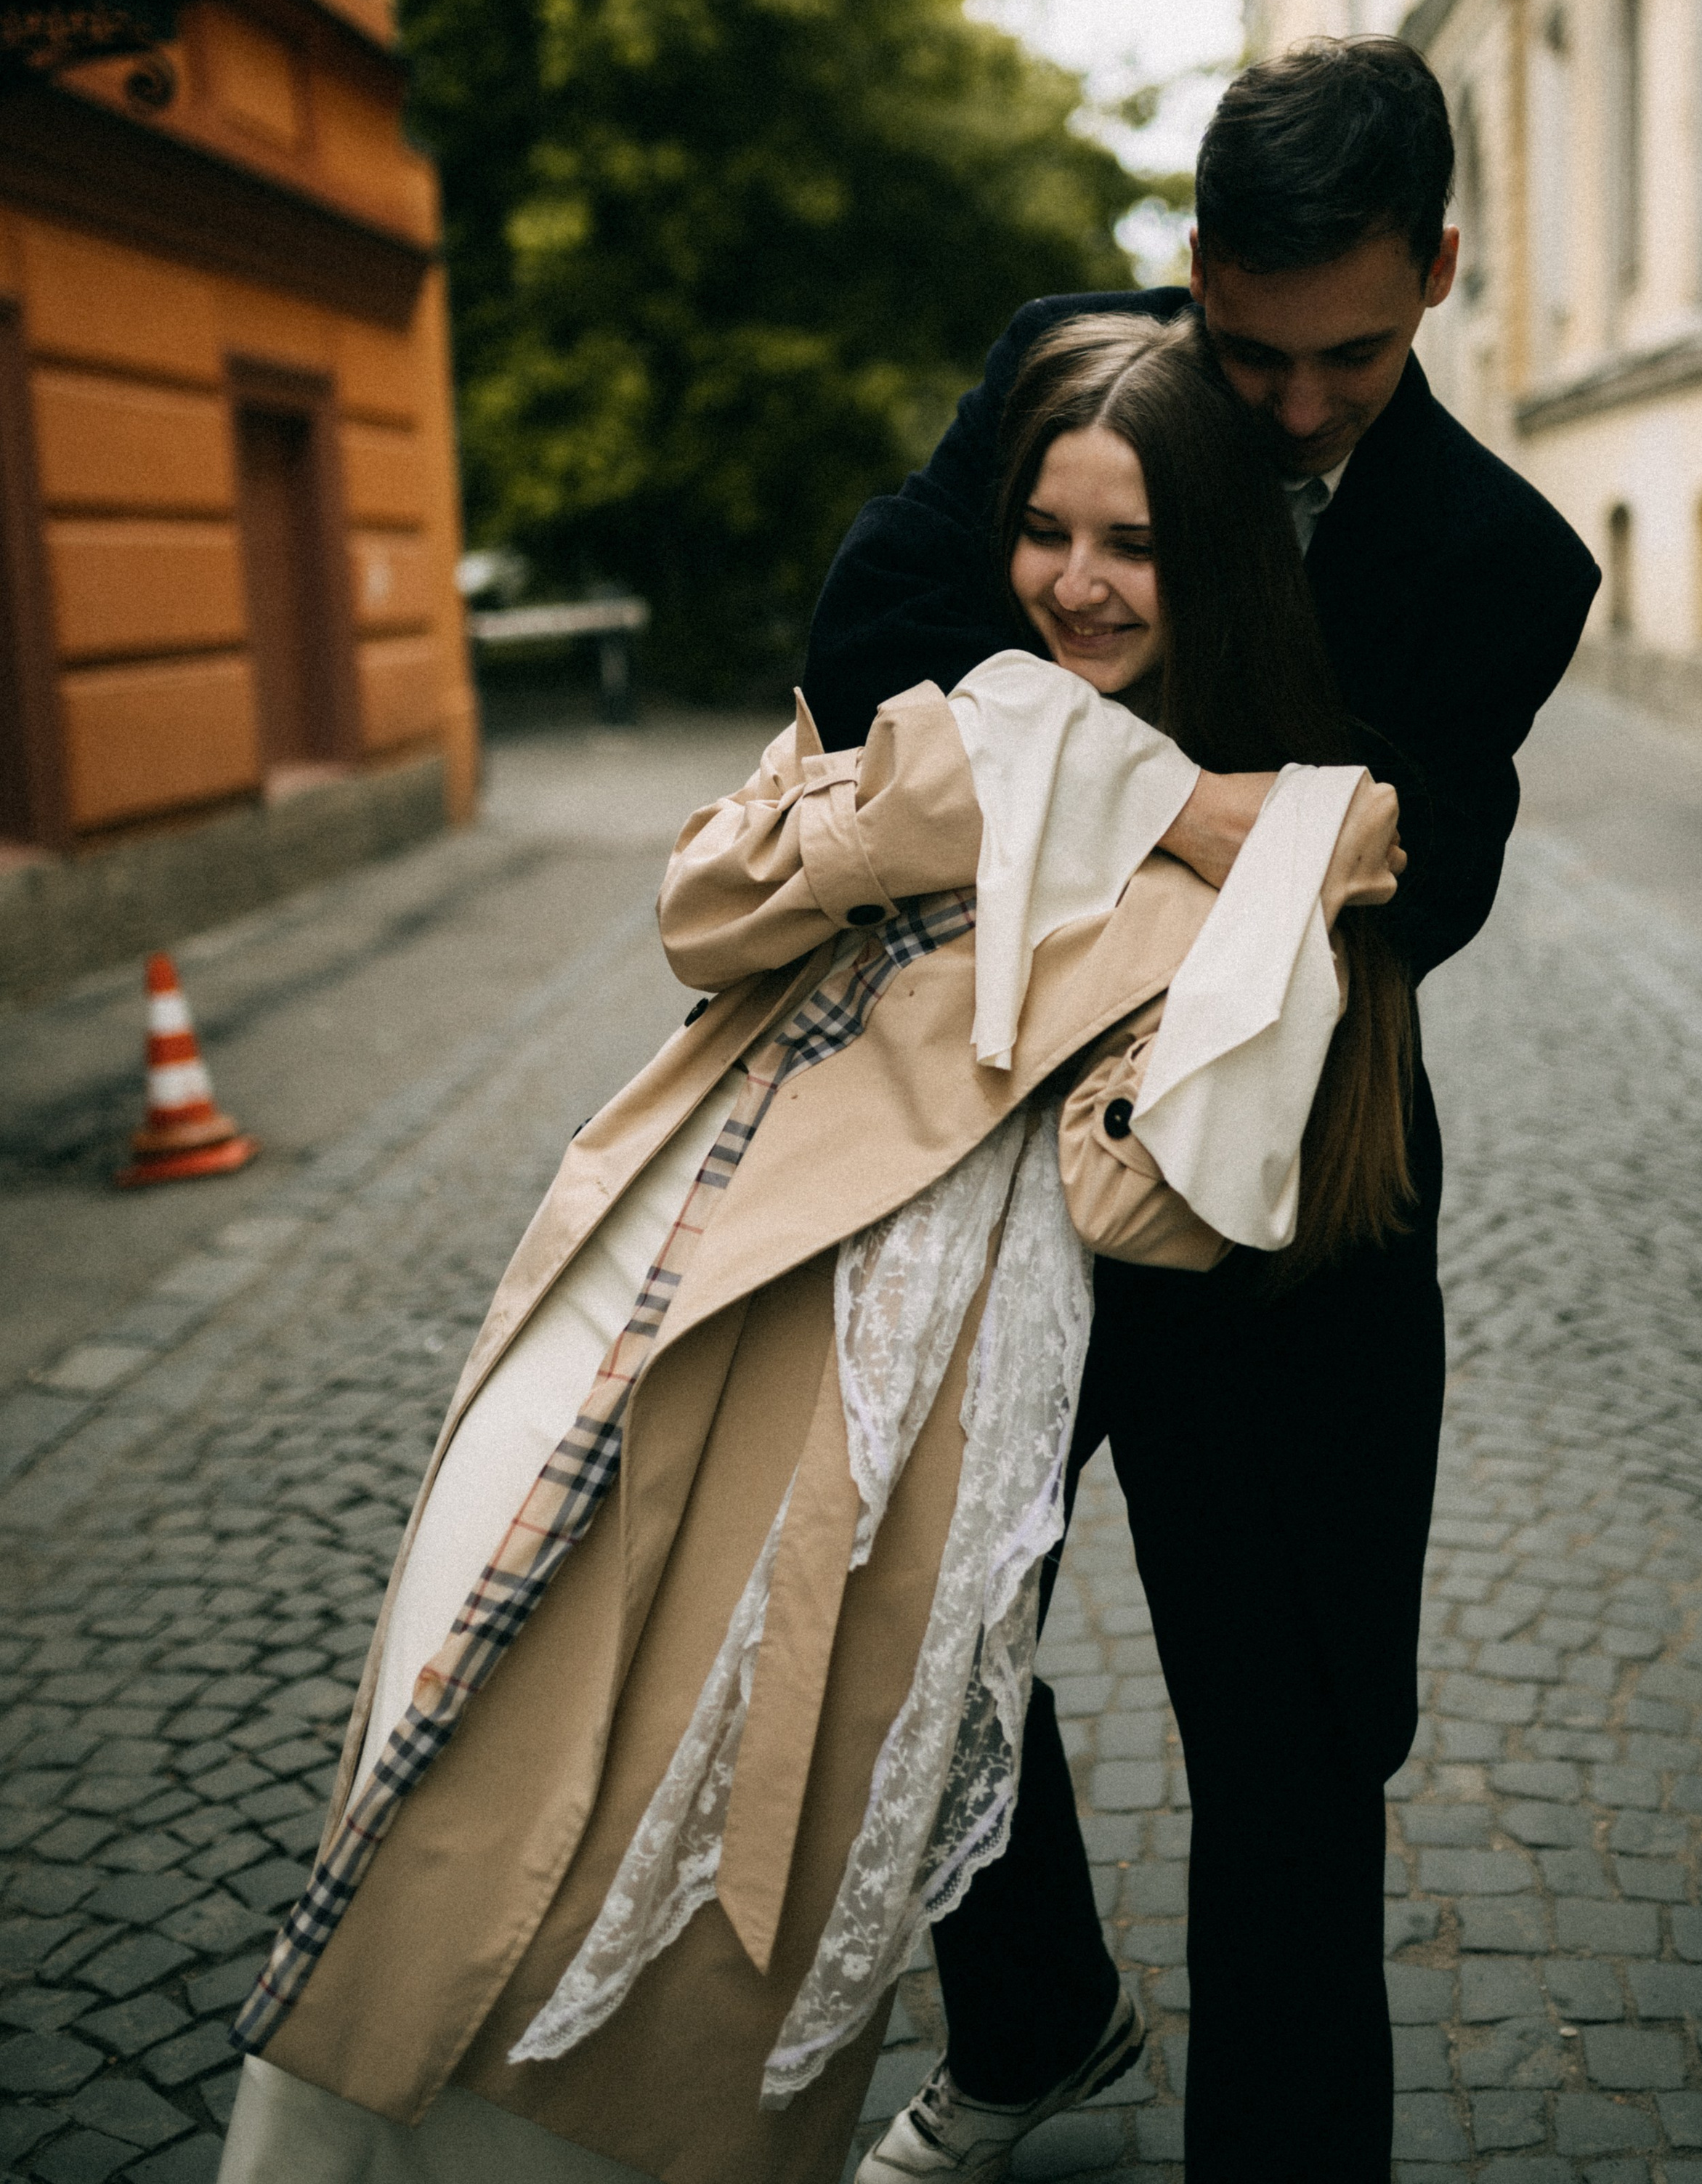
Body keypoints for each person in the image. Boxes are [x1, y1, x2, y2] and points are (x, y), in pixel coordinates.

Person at [214, 318, 1405, 2184]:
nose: (1076, 587)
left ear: (1216, 568)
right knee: (454, 1715)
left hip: (865, 1408)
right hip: (651, 1287)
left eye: (1136, 546)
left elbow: (1155, 1204)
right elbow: (705, 904)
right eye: (1046, 531)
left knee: (701, 1863)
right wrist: (999, 773)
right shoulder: (946, 710)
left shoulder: (1234, 874)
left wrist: (1215, 894)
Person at [818, 41, 1603, 2184]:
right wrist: (1224, 809)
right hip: (995, 1164)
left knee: (1292, 1755)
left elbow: (1414, 898)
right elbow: (861, 644)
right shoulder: (1069, 379)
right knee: (905, 1615)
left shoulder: (1500, 562)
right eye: (1246, 351)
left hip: (1292, 1214)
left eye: (1347, 352)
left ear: (1438, 268)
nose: (1286, 407)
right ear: (1190, 275)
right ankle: (1043, 2010)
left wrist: (1078, 782)